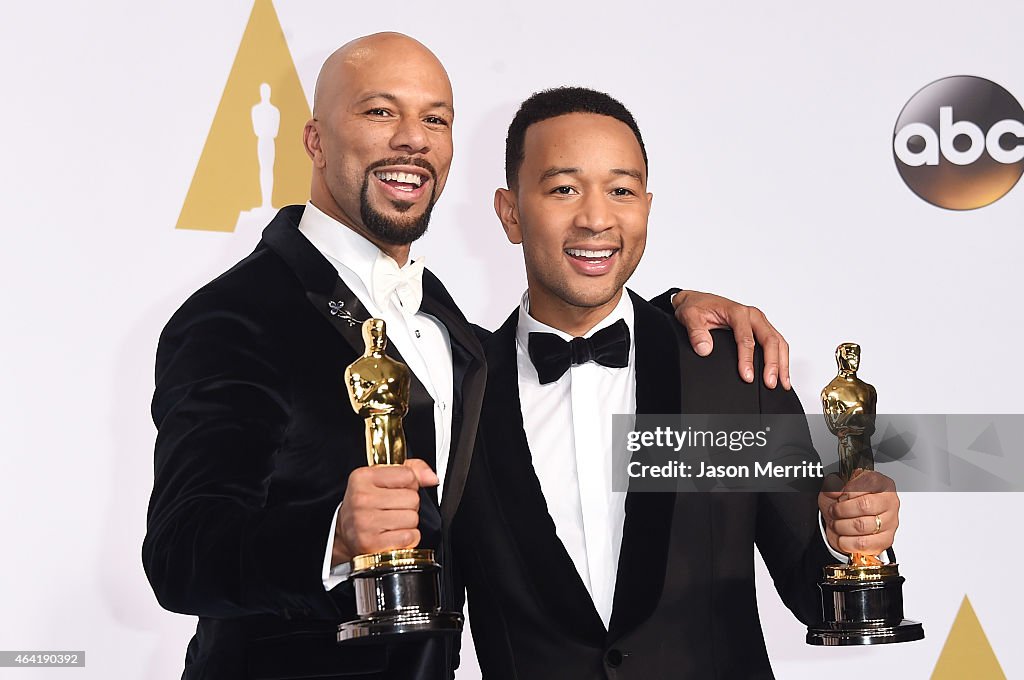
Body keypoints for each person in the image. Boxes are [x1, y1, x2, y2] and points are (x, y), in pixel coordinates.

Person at [143, 34, 803, 680]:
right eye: (380, 111)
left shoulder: (450, 330)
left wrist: (671, 306)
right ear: (315, 140)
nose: (412, 137)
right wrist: (332, 538)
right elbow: (180, 553)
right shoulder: (234, 316)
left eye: (435, 118)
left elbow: (833, 517)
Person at [453, 87, 901, 679]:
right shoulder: (455, 392)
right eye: (563, 188)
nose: (596, 217)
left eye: (622, 190)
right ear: (510, 213)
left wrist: (856, 540)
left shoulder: (734, 372)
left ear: (647, 206)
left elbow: (815, 589)